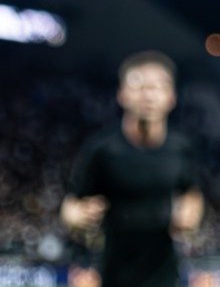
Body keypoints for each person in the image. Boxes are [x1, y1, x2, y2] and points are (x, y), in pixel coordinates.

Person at [61, 51, 204, 287]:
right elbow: (71, 205)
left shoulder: (182, 149)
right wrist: (78, 215)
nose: (148, 95)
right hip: (112, 275)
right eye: (139, 86)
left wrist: (191, 214)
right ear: (122, 94)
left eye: (157, 87)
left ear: (171, 97)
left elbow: (192, 192)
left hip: (164, 276)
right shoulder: (102, 150)